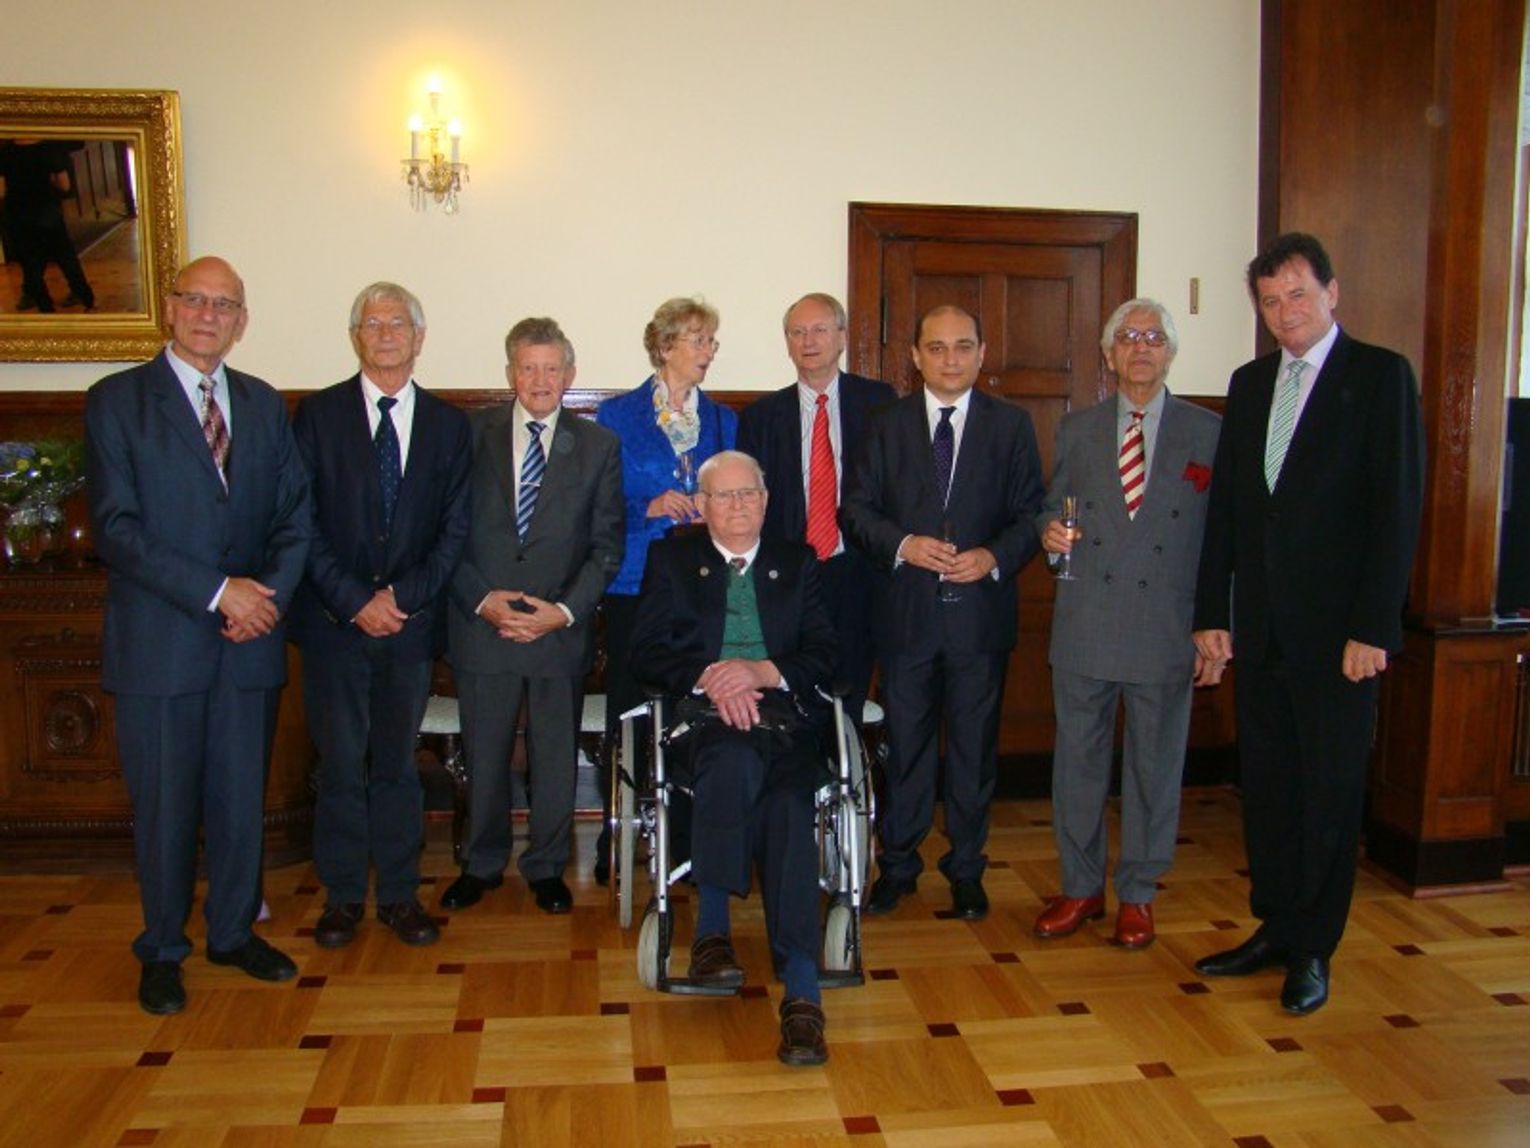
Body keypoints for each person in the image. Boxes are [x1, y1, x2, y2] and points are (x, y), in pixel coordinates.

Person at [1193, 232, 1425, 1016]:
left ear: (1332, 292)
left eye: (1297, 293)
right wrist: (1211, 614)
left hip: (1341, 639)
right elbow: (1229, 512)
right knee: (1269, 789)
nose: (1284, 310)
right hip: (1261, 632)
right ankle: (1276, 926)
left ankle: (1314, 947)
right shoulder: (1251, 383)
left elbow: (1396, 512)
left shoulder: (1380, 376)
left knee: (1328, 791)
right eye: (1270, 300)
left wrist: (1375, 627)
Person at [84, 256, 311, 1015]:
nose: (209, 315)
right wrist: (219, 593)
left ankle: (233, 932)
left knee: (241, 801)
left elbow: (295, 515)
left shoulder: (263, 403)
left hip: (250, 642)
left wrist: (263, 598)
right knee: (165, 809)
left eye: (225, 305)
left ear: (242, 321)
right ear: (170, 307)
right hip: (162, 644)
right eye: (196, 300)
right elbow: (116, 528)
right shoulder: (117, 401)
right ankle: (161, 948)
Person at [629, 450, 837, 1066]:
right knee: (733, 760)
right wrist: (712, 676)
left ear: (766, 502)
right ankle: (714, 930)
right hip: (703, 719)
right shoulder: (672, 560)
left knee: (790, 803)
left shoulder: (797, 562)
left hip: (785, 719)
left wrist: (761, 671)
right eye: (724, 496)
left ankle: (801, 991)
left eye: (749, 494)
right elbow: (644, 651)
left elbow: (827, 652)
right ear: (703, 505)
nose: (739, 505)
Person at [841, 304, 1044, 921]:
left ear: (981, 353)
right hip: (906, 617)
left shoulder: (1011, 425)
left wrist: (992, 556)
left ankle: (967, 869)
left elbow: (1031, 514)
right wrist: (904, 544)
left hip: (980, 619)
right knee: (905, 749)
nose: (950, 359)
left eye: (962, 346)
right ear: (915, 356)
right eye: (936, 347)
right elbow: (856, 510)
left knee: (973, 754)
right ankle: (898, 866)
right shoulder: (884, 424)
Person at [1032, 299, 1223, 950]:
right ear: (1109, 354)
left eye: (1154, 337)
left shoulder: (1208, 431)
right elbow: (1052, 508)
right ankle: (1080, 887)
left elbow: (1224, 540)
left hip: (1166, 625)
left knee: (1154, 769)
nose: (1141, 347)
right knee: (1077, 767)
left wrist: (1215, 626)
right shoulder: (1078, 428)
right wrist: (1050, 534)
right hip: (1086, 621)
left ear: (1170, 352)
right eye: (1128, 337)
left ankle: (1138, 893)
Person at [288, 282, 471, 949]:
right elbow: (300, 522)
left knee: (397, 765)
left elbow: (455, 530)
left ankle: (398, 895)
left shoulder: (449, 426)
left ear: (419, 338)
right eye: (373, 323)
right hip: (333, 625)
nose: (386, 333)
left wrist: (402, 599)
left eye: (399, 323)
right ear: (355, 336)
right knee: (339, 765)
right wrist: (354, 601)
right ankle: (341, 898)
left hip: (409, 628)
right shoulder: (317, 416)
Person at [443, 318, 624, 914]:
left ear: (570, 374)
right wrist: (481, 600)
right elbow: (445, 533)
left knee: (554, 756)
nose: (540, 379)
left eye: (551, 368)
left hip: (557, 628)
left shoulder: (598, 446)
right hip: (483, 623)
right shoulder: (470, 436)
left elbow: (606, 546)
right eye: (528, 367)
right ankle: (481, 864)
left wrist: (564, 612)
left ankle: (547, 867)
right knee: (484, 753)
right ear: (510, 374)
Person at [591, 296, 736, 881]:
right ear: (666, 345)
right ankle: (617, 837)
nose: (709, 351)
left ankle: (686, 840)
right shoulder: (617, 416)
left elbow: (739, 495)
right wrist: (648, 506)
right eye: (699, 340)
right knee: (629, 710)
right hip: (634, 582)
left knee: (693, 712)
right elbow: (598, 503)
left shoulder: (723, 420)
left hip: (701, 585)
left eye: (711, 341)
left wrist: (713, 505)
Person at [737, 293, 895, 723]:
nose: (808, 341)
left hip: (859, 568)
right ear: (787, 343)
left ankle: (845, 763)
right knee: (793, 692)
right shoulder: (761, 417)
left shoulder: (881, 403)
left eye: (820, 330)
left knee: (849, 689)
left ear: (842, 337)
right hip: (789, 573)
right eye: (797, 332)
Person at [0, 139, 96, 312]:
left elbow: (1, 189)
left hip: (18, 213)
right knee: (66, 257)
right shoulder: (49, 149)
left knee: (30, 263)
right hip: (46, 211)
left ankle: (45, 308)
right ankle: (86, 299)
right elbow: (64, 185)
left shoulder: (5, 152)